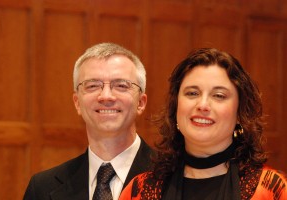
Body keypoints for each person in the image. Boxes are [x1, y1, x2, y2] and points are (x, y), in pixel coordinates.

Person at [120, 48, 287, 200]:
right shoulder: (140, 190)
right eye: (192, 93)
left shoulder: (272, 190)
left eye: (219, 95)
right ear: (176, 107)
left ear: (240, 113)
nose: (203, 105)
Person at [24, 43, 154, 200]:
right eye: (92, 86)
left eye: (120, 85)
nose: (106, 96)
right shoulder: (42, 188)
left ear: (141, 102)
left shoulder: (173, 178)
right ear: (77, 102)